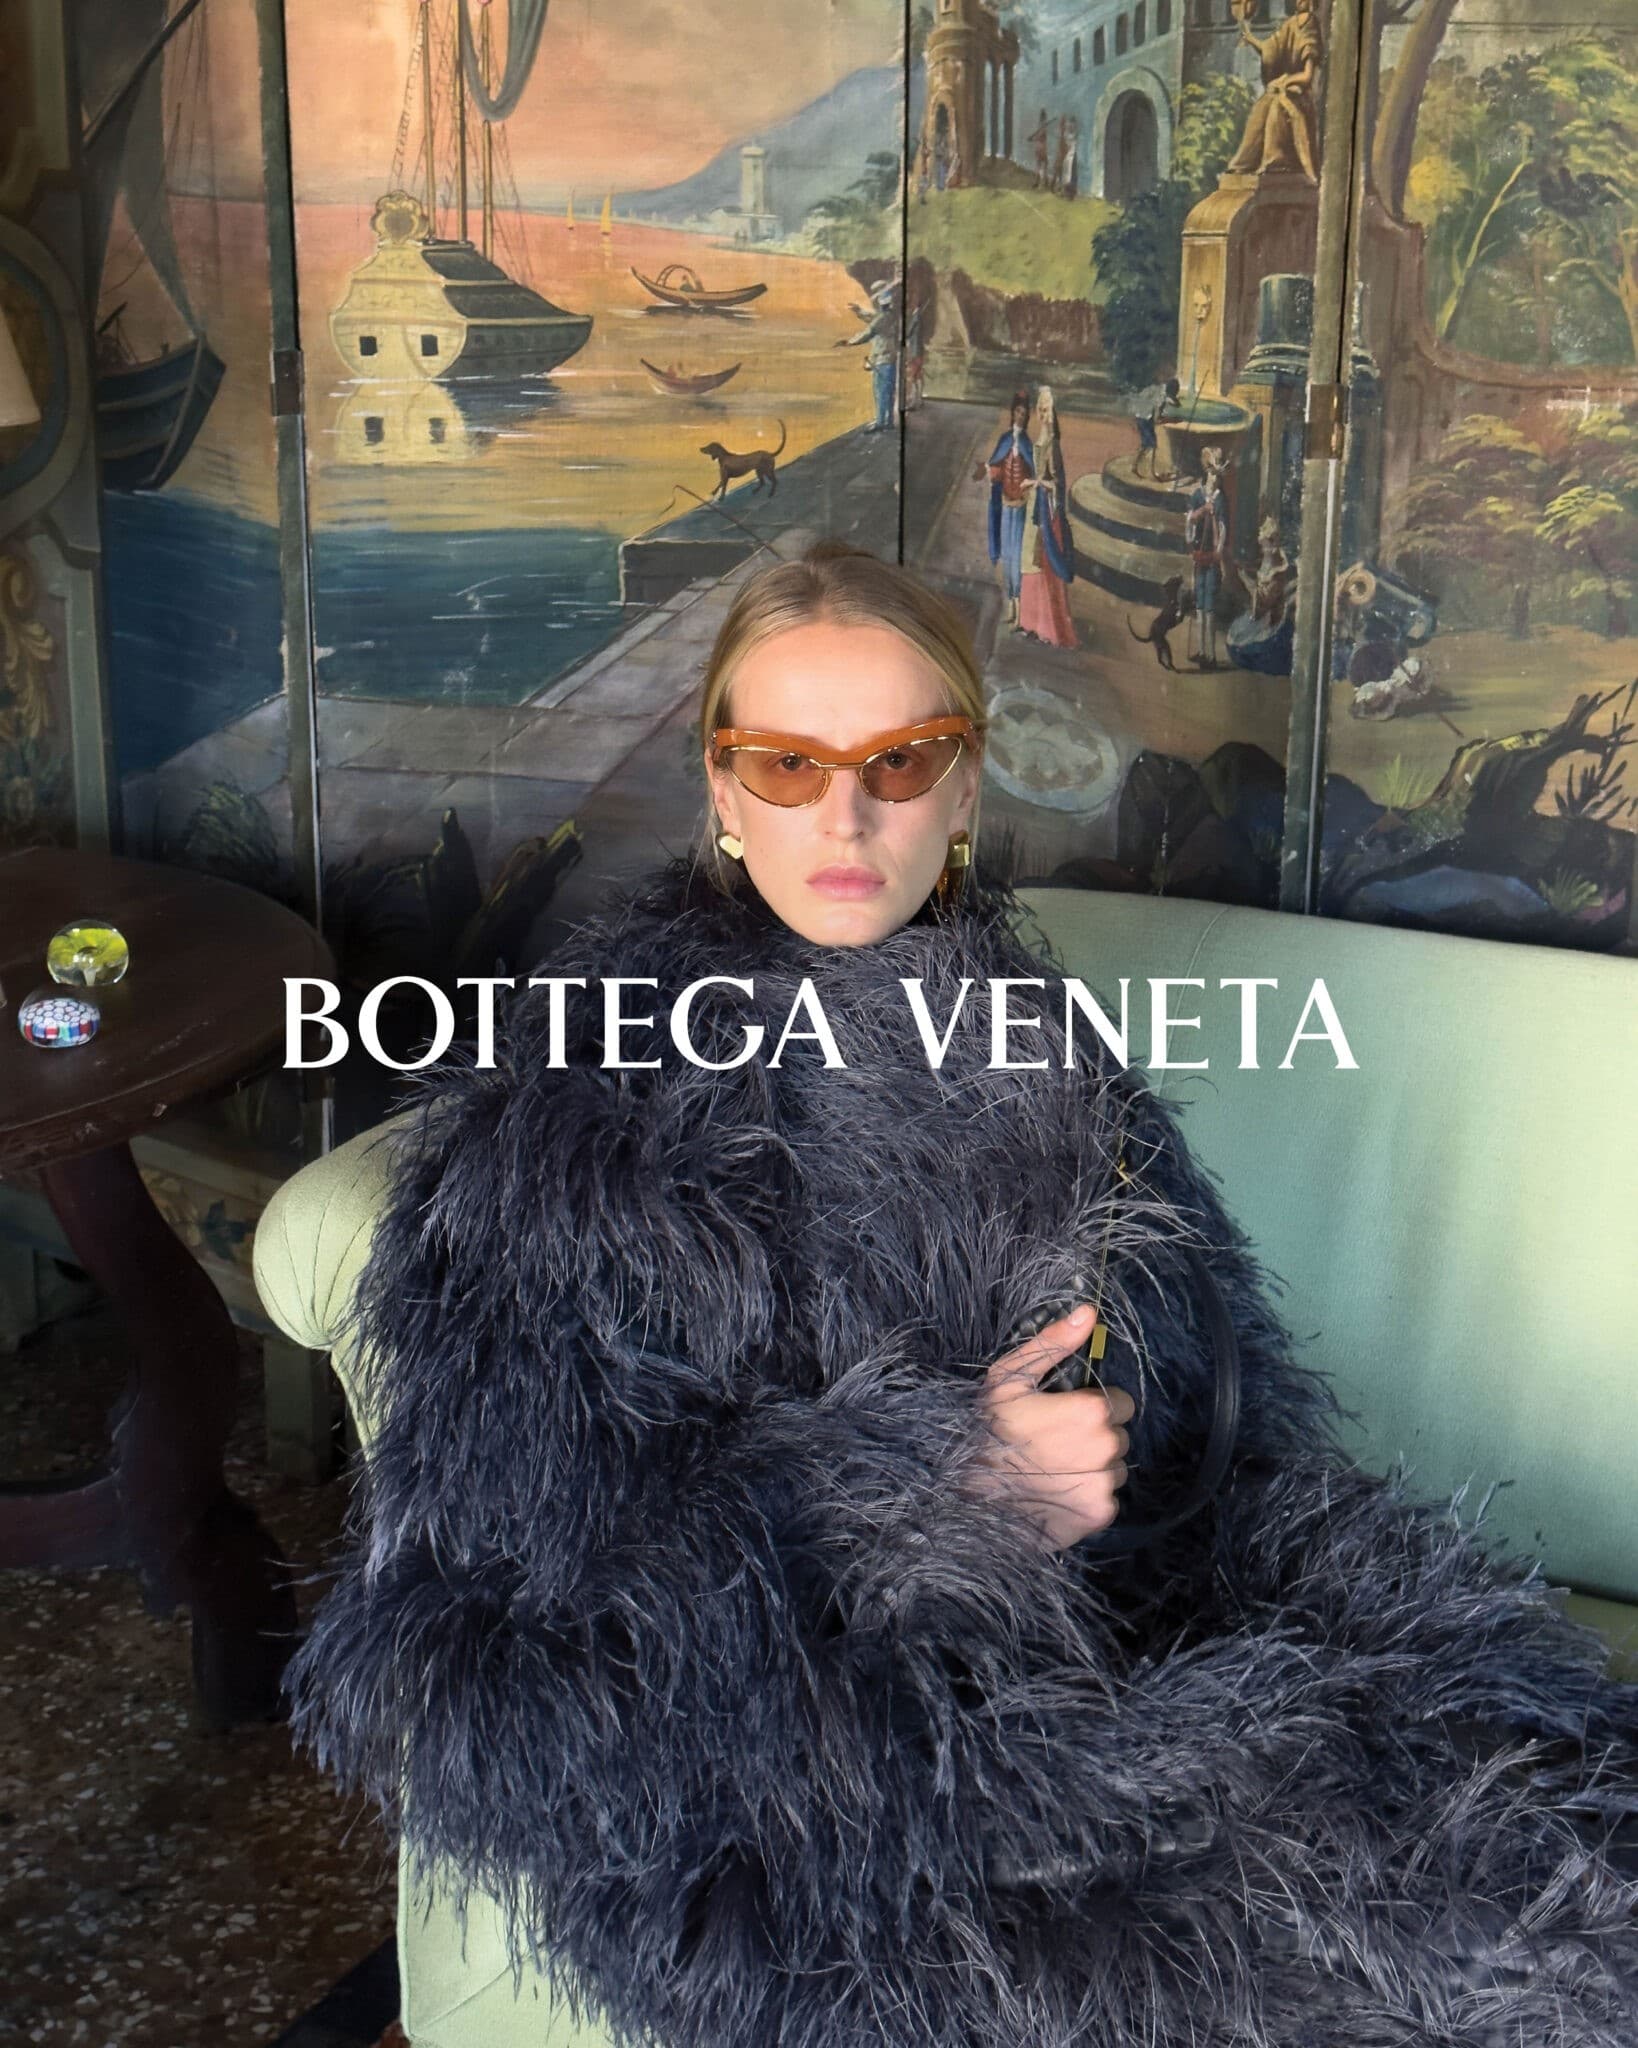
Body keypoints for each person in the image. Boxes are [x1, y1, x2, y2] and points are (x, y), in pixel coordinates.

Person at [284, 541, 1638, 2048]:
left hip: (1138, 1625)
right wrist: (933, 1490)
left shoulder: (1021, 1028)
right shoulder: (581, 1113)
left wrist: (1113, 1434)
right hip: (822, 1800)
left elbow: (1213, 1395)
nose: (845, 815)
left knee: (1549, 1831)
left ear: (966, 785)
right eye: (787, 764)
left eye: (899, 760)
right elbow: (500, 1640)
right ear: (722, 790)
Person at [1226, 0, 1323, 182]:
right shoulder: (1290, 24)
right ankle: (1244, 162)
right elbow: (1270, 51)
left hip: (1300, 94)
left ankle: (1275, 161)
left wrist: (1286, 81)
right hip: (1283, 88)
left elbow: (1307, 76)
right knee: (1262, 105)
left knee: (1277, 108)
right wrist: (1251, 39)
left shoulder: (1311, 26)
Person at [1018, 384, 1079, 646]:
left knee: (1044, 565)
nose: (1043, 414)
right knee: (1031, 563)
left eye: (1047, 410)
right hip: (1036, 505)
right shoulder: (1041, 439)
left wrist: (1034, 483)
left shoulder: (1052, 444)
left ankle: (1048, 628)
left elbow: (1057, 483)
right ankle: (1030, 622)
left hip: (1046, 509)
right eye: (1040, 409)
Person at [973, 388, 1035, 630]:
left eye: (1024, 413)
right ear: (1012, 413)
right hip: (1006, 504)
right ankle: (1011, 606)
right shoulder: (1006, 439)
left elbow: (1033, 471)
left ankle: (1020, 611)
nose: (1020, 416)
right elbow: (996, 466)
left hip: (1020, 507)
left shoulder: (1027, 444)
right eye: (1017, 412)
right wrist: (987, 470)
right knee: (1007, 556)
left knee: (1017, 557)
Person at [835, 276, 898, 434]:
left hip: (883, 360)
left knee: (881, 391)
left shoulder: (882, 318)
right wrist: (859, 311)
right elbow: (872, 318)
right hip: (888, 359)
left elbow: (869, 332)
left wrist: (849, 342)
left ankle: (881, 422)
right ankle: (888, 421)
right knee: (887, 392)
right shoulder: (890, 315)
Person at [1186, 443, 1230, 667]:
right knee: (1200, 603)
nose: (1214, 478)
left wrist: (1219, 552)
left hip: (1212, 558)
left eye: (1217, 474)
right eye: (1212, 473)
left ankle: (1211, 655)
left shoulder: (1221, 499)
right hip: (1199, 555)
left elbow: (1223, 528)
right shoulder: (1198, 495)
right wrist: (1203, 510)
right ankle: (1202, 651)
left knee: (1209, 604)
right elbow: (1190, 521)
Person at [1133, 375, 1181, 478]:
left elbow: (1162, 409)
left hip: (1141, 415)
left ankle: (1135, 466)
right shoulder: (1161, 397)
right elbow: (1157, 419)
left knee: (1145, 445)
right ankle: (1152, 472)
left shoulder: (1160, 389)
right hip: (1145, 418)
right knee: (1152, 445)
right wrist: (1172, 420)